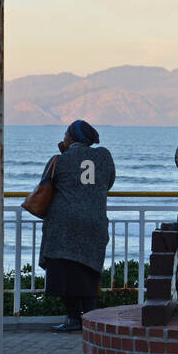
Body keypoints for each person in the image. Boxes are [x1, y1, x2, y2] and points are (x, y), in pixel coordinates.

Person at [38, 119, 116, 332]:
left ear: (72, 138)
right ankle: (90, 319)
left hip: (64, 225)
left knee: (63, 270)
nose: (63, 137)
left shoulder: (60, 160)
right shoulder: (104, 156)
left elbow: (47, 184)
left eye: (65, 134)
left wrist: (63, 154)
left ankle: (73, 319)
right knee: (89, 269)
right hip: (94, 222)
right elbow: (108, 183)